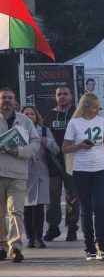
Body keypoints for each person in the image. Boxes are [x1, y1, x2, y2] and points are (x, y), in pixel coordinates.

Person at [62, 93, 104, 261]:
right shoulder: (74, 123)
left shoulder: (102, 121)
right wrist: (80, 146)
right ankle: (89, 247)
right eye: (94, 106)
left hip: (101, 168)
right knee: (86, 207)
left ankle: (102, 245)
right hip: (81, 169)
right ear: (85, 107)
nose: (97, 109)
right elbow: (65, 148)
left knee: (99, 205)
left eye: (98, 106)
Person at [0, 88, 40, 262]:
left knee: (16, 211)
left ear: (15, 101)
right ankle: (1, 245)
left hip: (18, 173)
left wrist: (19, 151)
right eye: (3, 97)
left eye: (10, 98)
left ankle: (15, 247)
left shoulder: (24, 121)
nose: (7, 100)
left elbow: (36, 143)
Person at [43, 86, 79, 242]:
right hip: (53, 161)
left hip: (72, 161)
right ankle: (53, 227)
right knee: (52, 197)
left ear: (71, 96)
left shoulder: (78, 114)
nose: (62, 96)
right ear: (55, 97)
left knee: (72, 196)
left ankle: (72, 227)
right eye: (59, 94)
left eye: (65, 94)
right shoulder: (49, 116)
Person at [21, 106, 60, 249]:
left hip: (41, 172)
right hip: (24, 171)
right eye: (26, 114)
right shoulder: (17, 131)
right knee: (26, 207)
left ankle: (38, 237)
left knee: (39, 206)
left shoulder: (44, 130)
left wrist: (46, 142)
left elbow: (56, 149)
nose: (30, 116)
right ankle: (30, 238)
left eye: (32, 113)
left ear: (37, 116)